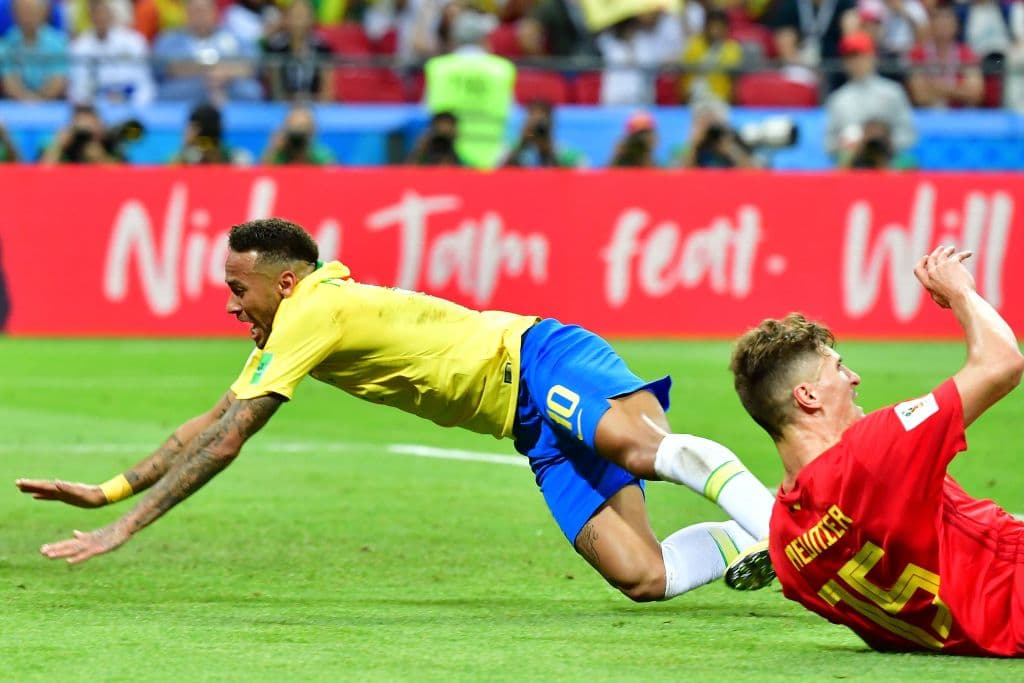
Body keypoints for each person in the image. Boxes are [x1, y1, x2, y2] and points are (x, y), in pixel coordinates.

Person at [17, 218, 778, 604]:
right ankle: (747, 536)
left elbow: (226, 446)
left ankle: (789, 521)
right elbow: (209, 423)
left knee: (645, 449)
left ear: (284, 285)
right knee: (643, 577)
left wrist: (127, 529)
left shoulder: (313, 311)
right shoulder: (292, 328)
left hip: (540, 359)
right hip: (526, 426)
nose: (228, 304)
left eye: (237, 289)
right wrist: (110, 488)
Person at [729, 246, 1024, 655]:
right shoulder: (875, 449)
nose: (854, 378)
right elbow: (1002, 364)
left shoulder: (786, 549)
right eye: (838, 367)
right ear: (809, 395)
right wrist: (961, 293)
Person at [424, 8, 515, 169]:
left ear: (454, 39)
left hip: (448, 160)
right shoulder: (503, 69)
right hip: (493, 161)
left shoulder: (437, 68)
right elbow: (513, 115)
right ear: (484, 39)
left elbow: (424, 111)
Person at [824, 31, 915, 164]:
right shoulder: (838, 99)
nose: (857, 63)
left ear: (873, 57)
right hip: (853, 163)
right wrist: (847, 143)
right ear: (845, 62)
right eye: (851, 58)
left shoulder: (892, 92)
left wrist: (885, 140)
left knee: (908, 163)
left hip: (889, 161)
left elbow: (909, 134)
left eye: (861, 56)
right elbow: (828, 143)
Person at [152, 0, 263, 105]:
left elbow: (253, 65)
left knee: (252, 91)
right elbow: (163, 68)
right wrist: (206, 71)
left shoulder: (234, 37)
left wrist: (226, 73)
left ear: (214, 13)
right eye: (195, 11)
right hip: (187, 89)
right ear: (186, 14)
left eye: (204, 11)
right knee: (166, 93)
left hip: (229, 86)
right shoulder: (169, 39)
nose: (200, 17)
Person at [69, 0, 156, 107]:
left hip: (131, 104)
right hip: (96, 106)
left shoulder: (133, 42)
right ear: (90, 16)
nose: (101, 17)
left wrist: (134, 105)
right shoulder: (80, 46)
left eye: (104, 12)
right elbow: (79, 89)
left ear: (111, 14)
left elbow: (144, 83)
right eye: (96, 13)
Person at [261, 0, 334, 103]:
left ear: (312, 18)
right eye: (295, 15)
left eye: (303, 15)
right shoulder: (275, 48)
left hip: (316, 106)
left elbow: (328, 89)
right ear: (286, 19)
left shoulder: (323, 48)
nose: (299, 20)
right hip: (282, 106)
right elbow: (275, 90)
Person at [0, 0, 67, 101]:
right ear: (14, 15)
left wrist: (39, 100)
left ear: (43, 13)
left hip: (51, 103)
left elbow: (58, 79)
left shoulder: (58, 42)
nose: (27, 18)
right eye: (23, 12)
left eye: (31, 12)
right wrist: (26, 100)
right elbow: (8, 79)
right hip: (15, 103)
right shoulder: (6, 42)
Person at [501, 100, 583, 168]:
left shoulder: (560, 151)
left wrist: (549, 149)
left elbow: (581, 166)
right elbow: (497, 167)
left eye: (541, 119)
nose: (537, 124)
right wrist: (523, 141)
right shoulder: (512, 148)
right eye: (532, 117)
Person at [39, 104, 125, 164]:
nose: (85, 137)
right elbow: (42, 174)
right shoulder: (63, 145)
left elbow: (124, 176)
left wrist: (100, 157)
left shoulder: (111, 144)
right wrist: (58, 146)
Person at [261, 105, 335, 165]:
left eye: (303, 127)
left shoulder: (321, 156)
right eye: (294, 127)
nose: (298, 136)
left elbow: (332, 175)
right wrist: (272, 148)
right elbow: (263, 176)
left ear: (313, 130)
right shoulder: (277, 155)